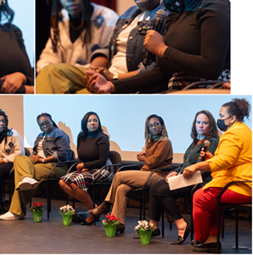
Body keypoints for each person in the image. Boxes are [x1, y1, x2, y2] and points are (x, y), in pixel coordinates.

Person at [86, 0, 230, 93]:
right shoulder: (175, 14)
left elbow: (211, 67)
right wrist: (113, 86)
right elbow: (160, 73)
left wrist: (162, 49)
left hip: (205, 91)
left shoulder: (215, 6)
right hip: (173, 92)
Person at [36, 0, 118, 94]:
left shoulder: (107, 18)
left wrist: (65, 73)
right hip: (63, 82)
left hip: (95, 81)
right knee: (47, 75)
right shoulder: (61, 19)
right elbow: (47, 58)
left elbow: (108, 63)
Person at [182, 99, 252, 253]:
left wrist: (197, 165)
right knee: (212, 200)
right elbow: (232, 159)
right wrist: (211, 158)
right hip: (244, 182)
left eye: (221, 116)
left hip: (241, 185)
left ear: (232, 118)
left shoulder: (233, 133)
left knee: (199, 197)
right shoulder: (245, 130)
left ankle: (202, 239)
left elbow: (226, 161)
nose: (219, 119)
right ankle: (212, 239)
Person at [144, 110, 219, 244]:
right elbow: (185, 164)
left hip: (199, 179)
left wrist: (182, 176)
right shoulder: (194, 142)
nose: (201, 125)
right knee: (155, 186)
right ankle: (153, 226)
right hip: (186, 177)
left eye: (205, 123)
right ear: (194, 124)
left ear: (211, 126)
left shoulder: (211, 141)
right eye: (198, 122)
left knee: (161, 191)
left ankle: (182, 225)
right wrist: (175, 172)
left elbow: (207, 166)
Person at [90, 114, 173, 235]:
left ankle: (106, 204)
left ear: (162, 125)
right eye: (150, 125)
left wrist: (144, 158)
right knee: (121, 188)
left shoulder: (165, 142)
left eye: (156, 124)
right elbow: (150, 159)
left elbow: (155, 162)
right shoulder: (151, 141)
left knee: (119, 175)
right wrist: (144, 156)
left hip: (157, 176)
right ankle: (118, 223)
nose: (154, 127)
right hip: (146, 173)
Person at [89, 0, 167, 82]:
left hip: (124, 84)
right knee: (54, 71)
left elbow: (156, 69)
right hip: (105, 77)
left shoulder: (166, 17)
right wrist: (94, 70)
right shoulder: (129, 13)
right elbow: (109, 49)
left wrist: (114, 78)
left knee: (55, 75)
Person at [0, 112, 73, 220]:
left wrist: (43, 159)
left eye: (46, 122)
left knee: (28, 173)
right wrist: (34, 157)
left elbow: (63, 154)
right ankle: (27, 177)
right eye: (41, 124)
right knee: (19, 158)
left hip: (55, 166)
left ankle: (16, 212)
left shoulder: (60, 133)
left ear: (52, 121)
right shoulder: (40, 136)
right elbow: (34, 152)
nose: (44, 126)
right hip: (39, 163)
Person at [59, 112, 113, 224]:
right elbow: (81, 156)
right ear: (85, 123)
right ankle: (95, 208)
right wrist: (82, 166)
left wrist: (85, 165)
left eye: (95, 120)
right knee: (62, 182)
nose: (92, 123)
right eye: (89, 121)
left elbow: (102, 161)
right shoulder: (81, 136)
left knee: (76, 182)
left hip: (103, 168)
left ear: (99, 123)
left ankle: (92, 214)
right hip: (87, 167)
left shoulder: (102, 138)